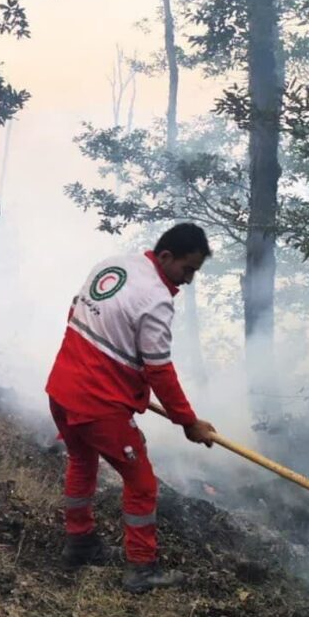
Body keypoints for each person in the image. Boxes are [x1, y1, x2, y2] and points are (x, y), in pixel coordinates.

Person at [45, 222, 217, 593]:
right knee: (141, 483)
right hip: (97, 405)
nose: (188, 280)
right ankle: (141, 567)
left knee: (81, 461)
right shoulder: (156, 299)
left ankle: (79, 543)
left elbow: (76, 314)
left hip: (61, 388)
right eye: (187, 269)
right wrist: (189, 422)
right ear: (166, 256)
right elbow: (160, 371)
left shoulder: (114, 264)